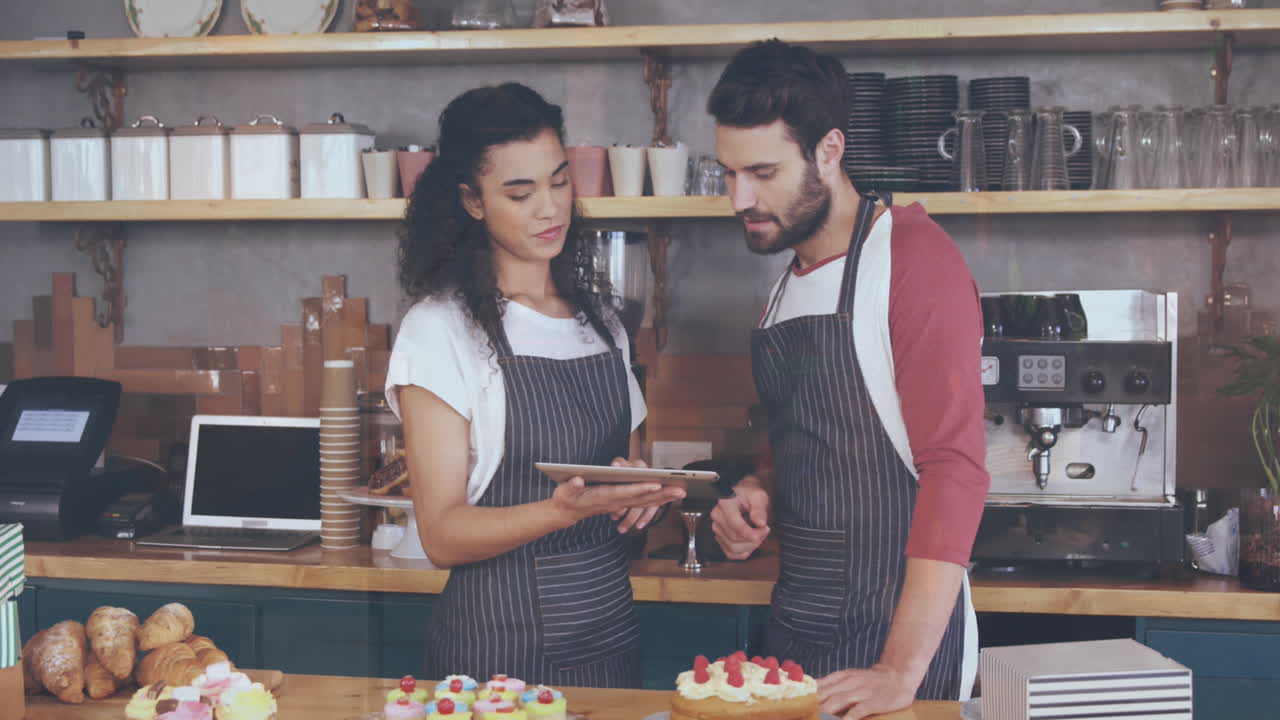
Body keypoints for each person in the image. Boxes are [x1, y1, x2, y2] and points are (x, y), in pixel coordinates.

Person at [706, 41, 990, 719]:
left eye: (763, 171)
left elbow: (956, 468)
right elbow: (807, 446)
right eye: (728, 173)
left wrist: (899, 670)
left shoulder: (914, 259)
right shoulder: (784, 286)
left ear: (829, 150)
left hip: (897, 645)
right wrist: (755, 493)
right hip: (798, 634)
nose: (740, 197)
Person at [386, 82, 685, 688]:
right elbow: (441, 533)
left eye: (558, 181)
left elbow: (622, 468)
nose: (549, 209)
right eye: (520, 193)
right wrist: (559, 510)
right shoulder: (440, 330)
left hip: (609, 632)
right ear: (473, 201)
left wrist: (642, 496)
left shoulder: (602, 323)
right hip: (497, 650)